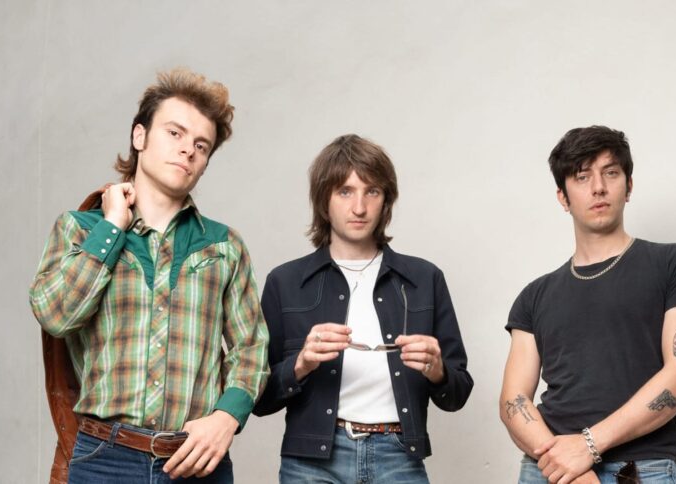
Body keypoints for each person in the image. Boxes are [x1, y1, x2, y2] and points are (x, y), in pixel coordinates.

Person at [30, 68, 269, 484]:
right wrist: (111, 227)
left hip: (196, 462)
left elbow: (251, 348)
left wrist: (226, 417)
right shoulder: (81, 229)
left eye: (201, 145)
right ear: (139, 136)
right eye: (175, 133)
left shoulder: (224, 246)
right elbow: (56, 315)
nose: (188, 150)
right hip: (104, 460)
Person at [500, 125, 676, 484]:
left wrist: (587, 447)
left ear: (628, 186)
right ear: (563, 197)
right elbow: (513, 399)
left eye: (611, 173)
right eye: (582, 177)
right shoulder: (534, 295)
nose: (598, 187)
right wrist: (567, 466)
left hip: (637, 470)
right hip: (548, 469)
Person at [253, 134, 473, 483]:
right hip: (310, 463)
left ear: (386, 201)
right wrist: (301, 364)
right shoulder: (285, 281)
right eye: (345, 191)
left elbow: (457, 394)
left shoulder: (424, 278)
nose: (359, 207)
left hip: (398, 455)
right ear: (323, 201)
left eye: (372, 191)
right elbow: (258, 400)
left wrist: (437, 370)